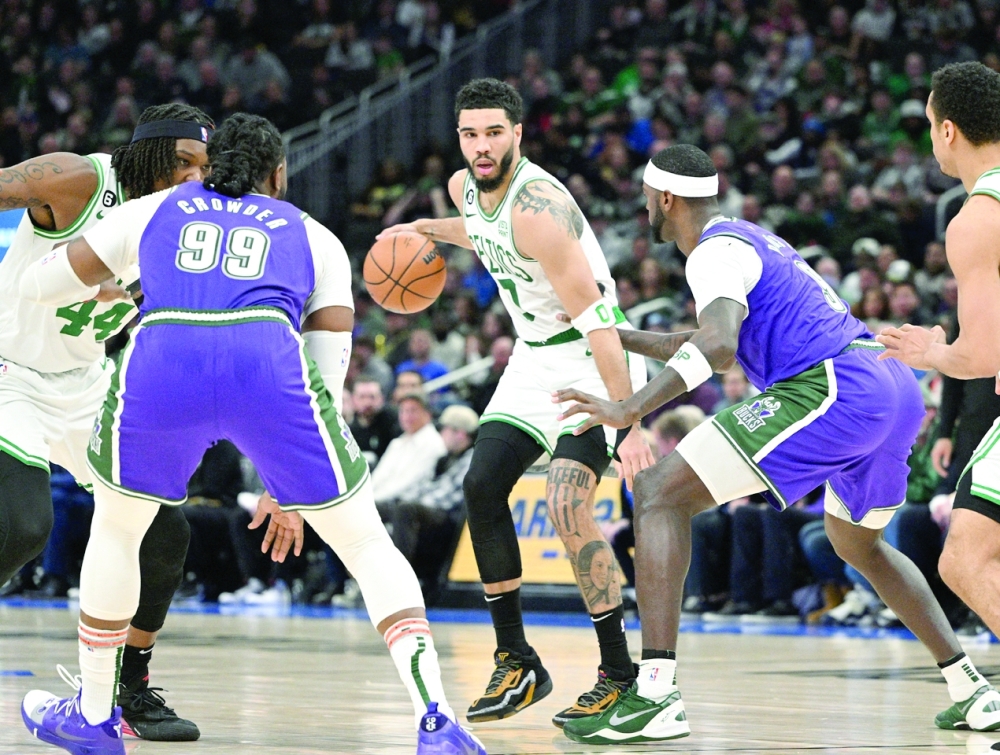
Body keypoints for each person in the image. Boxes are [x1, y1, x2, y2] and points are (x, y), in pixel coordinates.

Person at [17, 113, 485, 755]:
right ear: (279, 174)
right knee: (367, 545)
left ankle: (95, 715)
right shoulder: (314, 234)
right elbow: (326, 365)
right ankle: (436, 720)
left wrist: (123, 289)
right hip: (266, 360)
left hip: (165, 360)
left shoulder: (155, 208)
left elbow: (37, 285)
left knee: (119, 530)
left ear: (211, 168)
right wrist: (287, 485)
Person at [552, 143, 1000, 744]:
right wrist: (618, 336)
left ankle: (655, 694)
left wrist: (628, 407)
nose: (644, 210)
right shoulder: (744, 238)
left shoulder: (710, 252)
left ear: (663, 199)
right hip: (889, 385)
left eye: (645, 199)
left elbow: (717, 349)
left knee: (657, 492)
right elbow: (716, 335)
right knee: (858, 545)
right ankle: (971, 687)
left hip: (836, 386)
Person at [380, 77, 654, 727]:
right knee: (480, 487)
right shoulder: (462, 187)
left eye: (494, 132)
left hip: (593, 354)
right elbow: (482, 231)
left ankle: (620, 671)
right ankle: (517, 658)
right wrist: (428, 230)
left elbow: (602, 326)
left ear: (519, 134)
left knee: (565, 500)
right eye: (470, 133)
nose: (481, 145)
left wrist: (631, 419)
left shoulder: (540, 208)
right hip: (533, 355)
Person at [0, 103, 215, 742]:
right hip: (11, 373)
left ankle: (129, 688)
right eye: (181, 161)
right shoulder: (80, 179)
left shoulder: (181, 224)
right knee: (22, 526)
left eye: (203, 167)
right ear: (144, 153)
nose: (192, 178)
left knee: (166, 536)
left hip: (87, 386)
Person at [877, 62, 1000, 649]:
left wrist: (930, 351)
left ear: (947, 130)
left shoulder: (976, 218)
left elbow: (981, 356)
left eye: (929, 125)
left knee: (965, 561)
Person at [386, 404, 479, 595]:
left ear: (461, 434)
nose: (441, 435)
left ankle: (397, 581)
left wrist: (409, 503)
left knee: (406, 509)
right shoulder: (445, 458)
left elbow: (447, 495)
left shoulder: (472, 459)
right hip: (433, 509)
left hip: (449, 518)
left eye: (445, 429)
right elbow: (425, 485)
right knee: (379, 508)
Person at [372, 392, 447, 507]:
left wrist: (372, 501)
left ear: (427, 414)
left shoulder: (433, 444)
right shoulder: (397, 443)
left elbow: (408, 483)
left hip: (405, 504)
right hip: (378, 500)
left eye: (413, 411)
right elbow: (379, 476)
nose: (407, 416)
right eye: (403, 411)